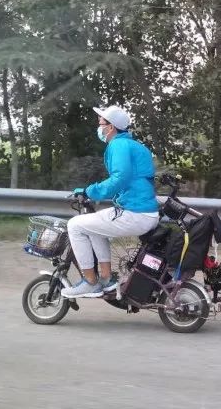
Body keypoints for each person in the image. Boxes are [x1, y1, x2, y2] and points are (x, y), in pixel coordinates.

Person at [61, 105, 160, 298]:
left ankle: (90, 281)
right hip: (142, 212)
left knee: (75, 226)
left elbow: (119, 178)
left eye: (101, 123)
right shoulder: (133, 145)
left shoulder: (118, 145)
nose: (99, 127)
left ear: (111, 127)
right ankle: (106, 279)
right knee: (94, 226)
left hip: (136, 214)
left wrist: (89, 191)